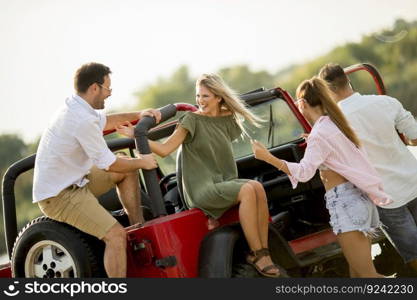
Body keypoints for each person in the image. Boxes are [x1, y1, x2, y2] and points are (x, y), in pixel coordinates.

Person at [115, 73, 284, 277]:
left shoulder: (228, 120)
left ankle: (263, 252)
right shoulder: (191, 119)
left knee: (257, 187)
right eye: (198, 96)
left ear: (219, 97)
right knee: (248, 189)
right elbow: (164, 149)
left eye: (206, 96)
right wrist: (137, 135)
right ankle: (258, 254)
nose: (199, 101)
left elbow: (228, 119)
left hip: (223, 182)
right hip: (201, 188)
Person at [251, 76, 392, 278]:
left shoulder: (320, 134)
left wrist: (267, 157)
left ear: (304, 103)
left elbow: (304, 173)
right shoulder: (334, 126)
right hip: (357, 200)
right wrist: (315, 142)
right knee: (357, 275)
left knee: (367, 276)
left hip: (345, 203)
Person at [33, 62, 161, 278]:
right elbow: (108, 164)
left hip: (77, 181)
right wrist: (143, 162)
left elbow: (106, 121)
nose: (109, 94)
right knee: (115, 236)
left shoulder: (78, 106)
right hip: (59, 195)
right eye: (107, 89)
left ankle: (138, 229)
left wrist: (139, 114)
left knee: (126, 168)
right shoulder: (80, 119)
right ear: (94, 88)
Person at [319, 63, 417, 273]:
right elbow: (415, 137)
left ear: (327, 91)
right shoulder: (386, 102)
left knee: (414, 254)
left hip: (386, 198)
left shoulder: (332, 125)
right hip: (414, 180)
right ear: (348, 81)